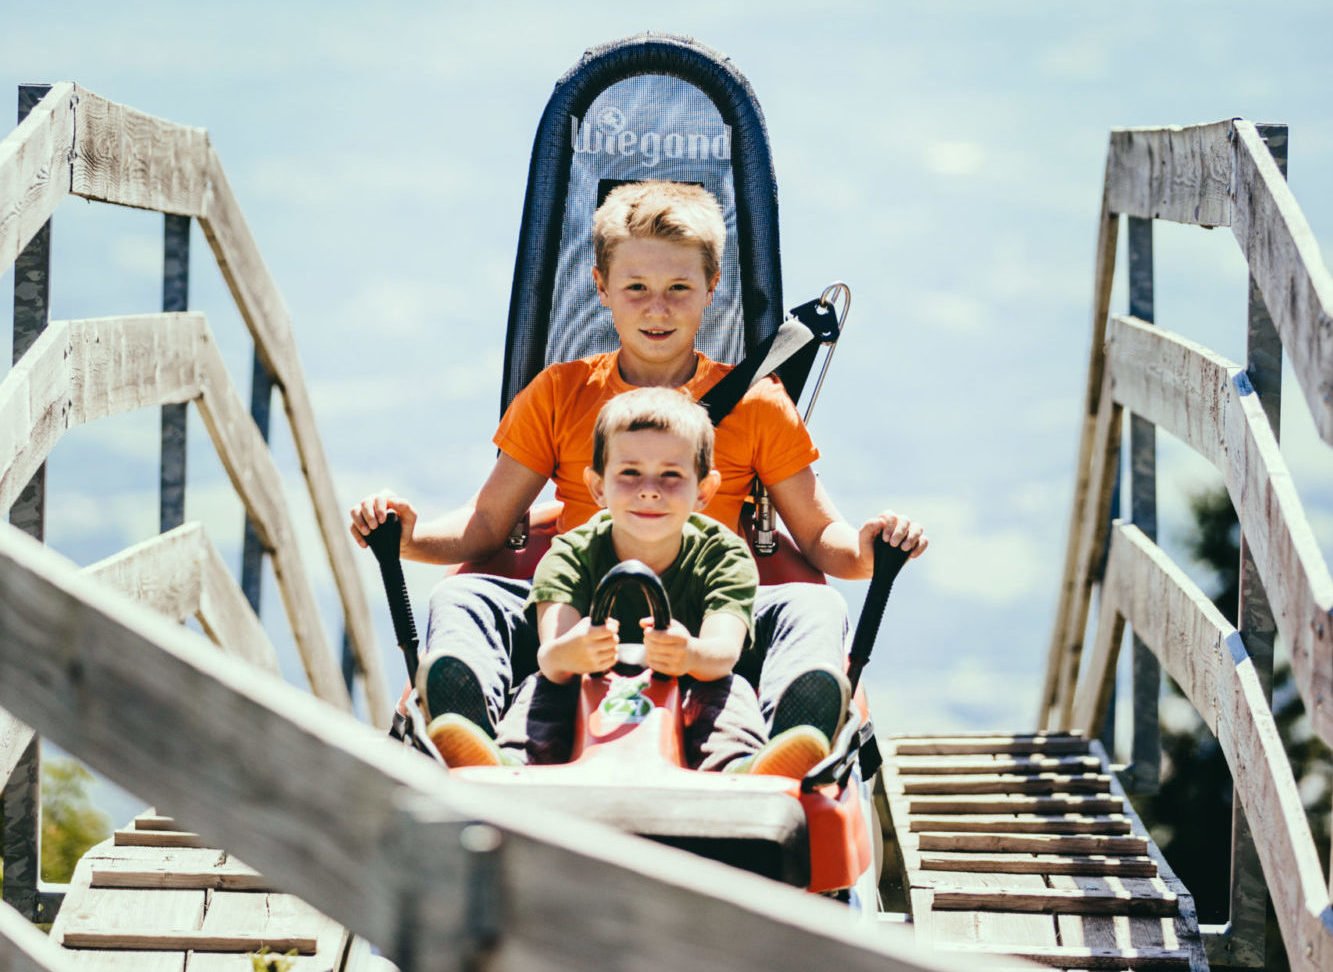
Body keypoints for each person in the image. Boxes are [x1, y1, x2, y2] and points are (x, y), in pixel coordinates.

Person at [349, 180, 927, 753]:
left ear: (711, 288)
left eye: (679, 288)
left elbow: (821, 536)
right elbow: (486, 524)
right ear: (602, 287)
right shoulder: (559, 394)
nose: (658, 308)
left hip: (711, 612)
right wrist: (408, 536)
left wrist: (868, 549)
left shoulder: (758, 404)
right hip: (573, 606)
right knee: (460, 599)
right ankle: (466, 730)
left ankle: (792, 743)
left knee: (818, 605)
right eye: (636, 288)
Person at [427, 387, 828, 775]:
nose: (649, 491)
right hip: (580, 685)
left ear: (704, 490)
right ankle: (492, 753)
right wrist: (575, 651)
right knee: (538, 688)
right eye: (630, 473)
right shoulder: (571, 553)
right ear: (598, 487)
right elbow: (552, 656)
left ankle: (764, 758)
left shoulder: (724, 555)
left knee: (730, 691)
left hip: (694, 683)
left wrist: (691, 654)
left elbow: (722, 651)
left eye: (671, 475)